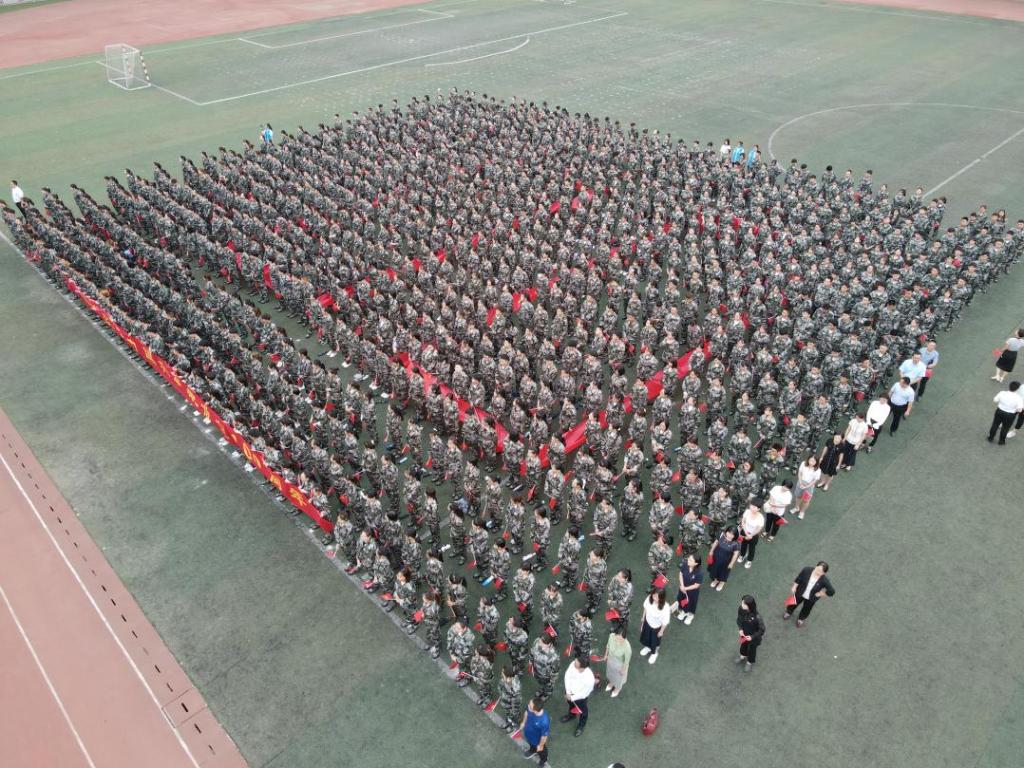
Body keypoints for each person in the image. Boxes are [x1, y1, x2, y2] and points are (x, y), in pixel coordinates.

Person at [784, 562, 835, 627]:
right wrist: (794, 586)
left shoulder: (824, 580)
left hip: (811, 598)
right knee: (793, 603)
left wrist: (820, 594)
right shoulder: (806, 570)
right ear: (815, 566)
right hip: (799, 592)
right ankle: (788, 612)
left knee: (806, 609)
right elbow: (799, 578)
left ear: (824, 573)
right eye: (817, 569)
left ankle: (801, 619)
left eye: (821, 572)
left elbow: (831, 591)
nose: (818, 572)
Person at [560, 656, 596, 737]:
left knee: (583, 711)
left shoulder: (589, 678)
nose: (574, 661)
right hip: (569, 692)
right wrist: (568, 692)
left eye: (576, 662)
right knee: (571, 704)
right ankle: (572, 715)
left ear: (582, 667)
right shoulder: (573, 664)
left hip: (579, 698)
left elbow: (584, 693)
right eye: (576, 660)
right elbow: (567, 676)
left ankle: (581, 725)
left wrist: (572, 697)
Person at [638, 587, 672, 664]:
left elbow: (665, 622)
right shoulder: (649, 598)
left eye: (657, 597)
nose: (654, 598)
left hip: (656, 628)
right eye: (654, 595)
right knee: (646, 637)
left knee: (655, 642)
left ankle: (654, 653)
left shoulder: (666, 607)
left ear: (662, 598)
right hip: (647, 623)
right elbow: (645, 608)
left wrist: (661, 631)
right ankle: (648, 647)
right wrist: (643, 618)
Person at [736, 595, 765, 673]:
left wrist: (752, 637)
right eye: (742, 602)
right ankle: (742, 656)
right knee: (743, 646)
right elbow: (739, 619)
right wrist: (740, 629)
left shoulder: (757, 617)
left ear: (749, 606)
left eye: (743, 604)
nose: (741, 604)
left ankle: (749, 662)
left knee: (752, 650)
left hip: (754, 638)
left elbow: (762, 630)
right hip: (744, 634)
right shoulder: (741, 609)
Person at [600, 624, 631, 698]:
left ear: (624, 637)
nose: (618, 640)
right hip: (611, 659)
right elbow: (608, 646)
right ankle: (611, 683)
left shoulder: (627, 647)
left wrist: (623, 670)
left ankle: (617, 689)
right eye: (617, 637)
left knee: (618, 679)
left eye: (621, 638)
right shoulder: (611, 636)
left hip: (620, 665)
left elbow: (626, 661)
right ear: (615, 634)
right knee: (611, 673)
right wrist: (605, 655)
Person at [707, 526, 741, 591]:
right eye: (729, 532)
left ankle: (721, 583)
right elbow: (716, 542)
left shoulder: (736, 543)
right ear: (726, 531)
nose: (730, 535)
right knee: (715, 570)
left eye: (732, 534)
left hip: (726, 562)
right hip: (716, 558)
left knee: (723, 573)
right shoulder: (721, 535)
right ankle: (716, 580)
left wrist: (731, 563)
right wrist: (711, 551)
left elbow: (735, 554)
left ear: (735, 535)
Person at [520, 697, 551, 766]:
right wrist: (523, 722)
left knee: (542, 751)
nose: (528, 706)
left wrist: (540, 745)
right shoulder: (530, 708)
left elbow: (544, 736)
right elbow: (526, 712)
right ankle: (533, 750)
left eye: (530, 706)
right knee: (531, 745)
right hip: (529, 736)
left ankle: (543, 760)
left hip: (537, 741)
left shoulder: (544, 721)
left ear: (535, 711)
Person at [675, 552, 703, 624]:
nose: (688, 560)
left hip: (692, 593)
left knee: (690, 604)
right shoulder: (685, 564)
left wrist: (685, 588)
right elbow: (680, 574)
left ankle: (690, 615)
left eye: (690, 560)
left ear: (696, 563)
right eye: (689, 559)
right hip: (682, 588)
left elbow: (696, 585)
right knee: (682, 600)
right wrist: (682, 586)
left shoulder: (699, 573)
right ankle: (683, 612)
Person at [736, 503, 765, 570]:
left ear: (758, 509)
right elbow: (743, 521)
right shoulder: (747, 511)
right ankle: (742, 555)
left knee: (752, 548)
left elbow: (759, 529)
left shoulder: (760, 518)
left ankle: (749, 560)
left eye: (754, 507)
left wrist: (751, 535)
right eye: (751, 505)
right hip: (745, 531)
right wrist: (746, 533)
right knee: (743, 544)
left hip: (753, 535)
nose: (751, 507)